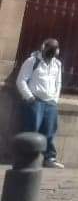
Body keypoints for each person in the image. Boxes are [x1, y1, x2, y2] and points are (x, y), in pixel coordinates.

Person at [16, 38, 64, 168]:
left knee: (49, 132)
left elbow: (58, 83)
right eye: (51, 48)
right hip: (35, 101)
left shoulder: (57, 64)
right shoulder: (32, 61)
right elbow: (21, 80)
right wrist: (29, 97)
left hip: (50, 103)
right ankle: (26, 158)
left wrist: (55, 99)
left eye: (55, 49)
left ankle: (49, 158)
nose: (53, 52)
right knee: (31, 130)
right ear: (44, 47)